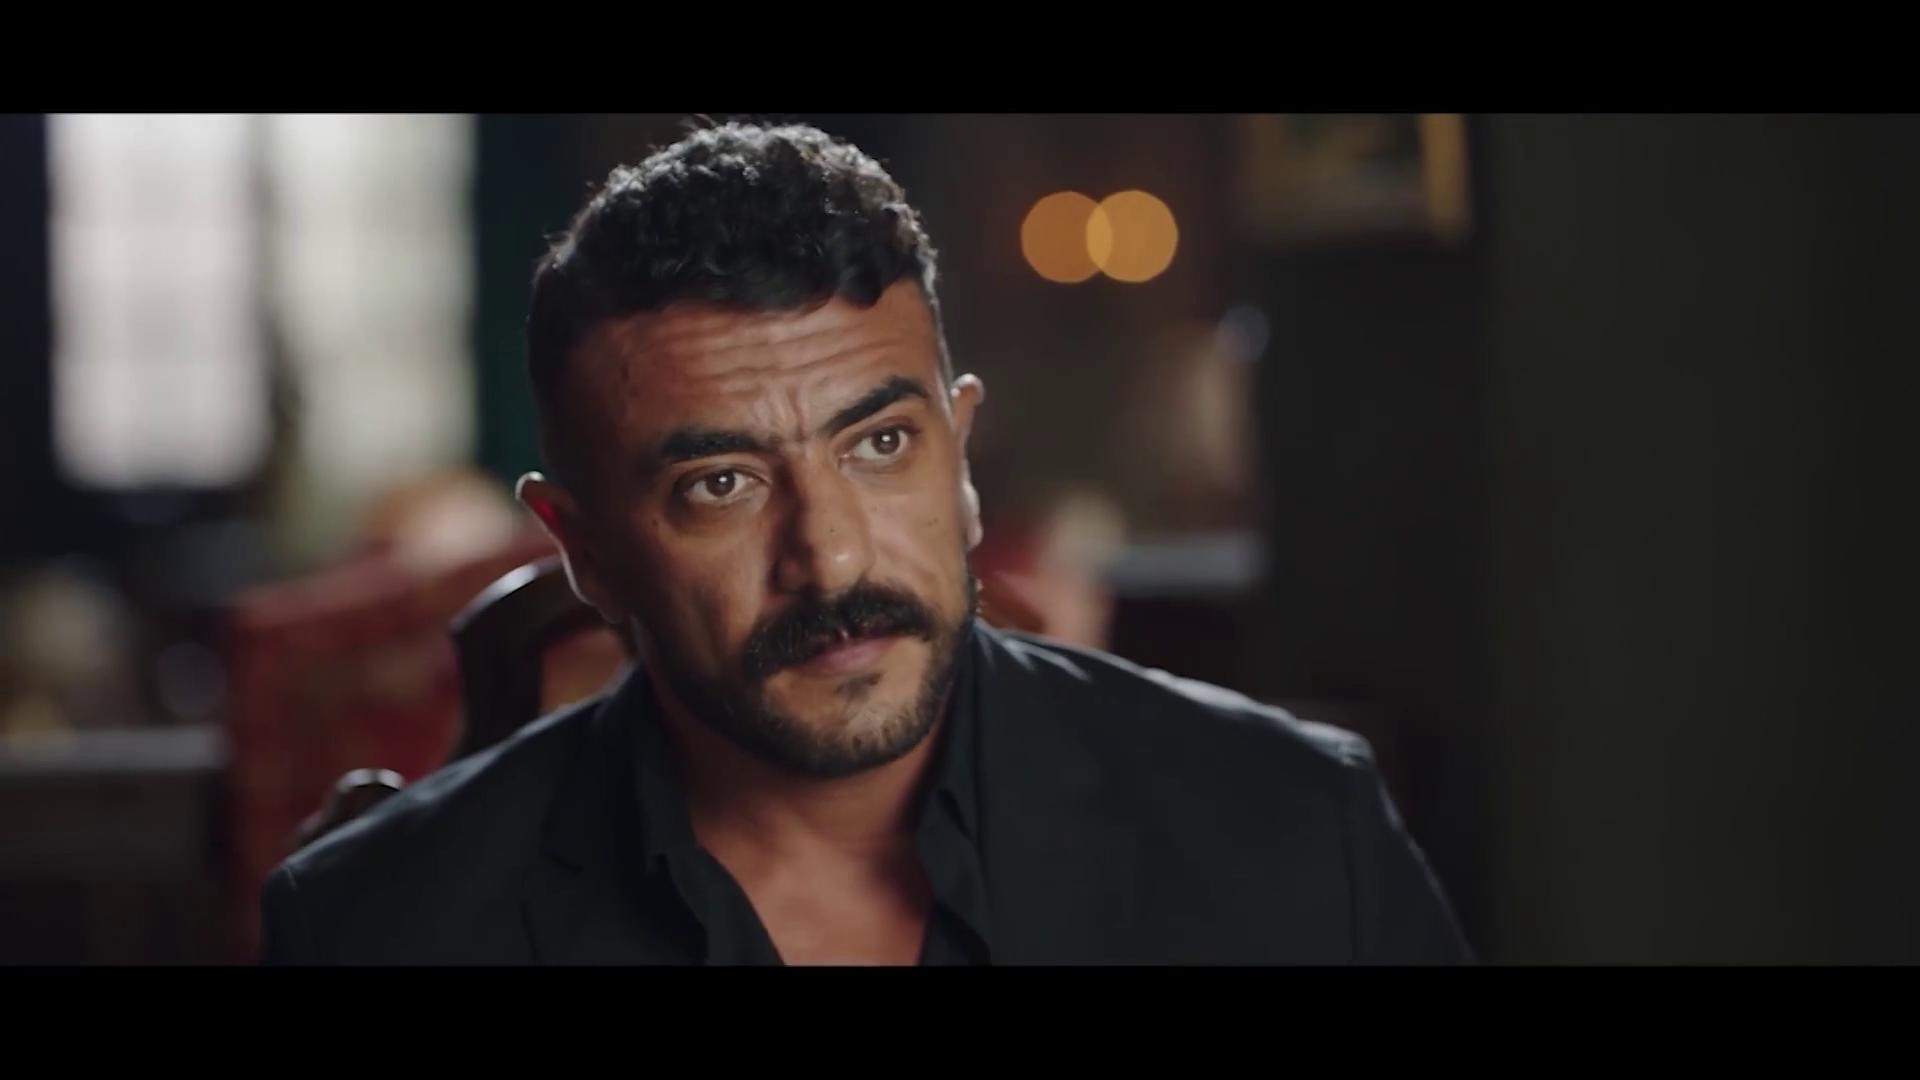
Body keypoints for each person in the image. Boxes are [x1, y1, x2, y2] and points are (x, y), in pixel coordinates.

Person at [259, 121, 1471, 965]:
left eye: (881, 445)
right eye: (722, 484)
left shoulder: (1294, 834)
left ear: (962, 456)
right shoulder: (383, 925)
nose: (832, 561)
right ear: (584, 551)